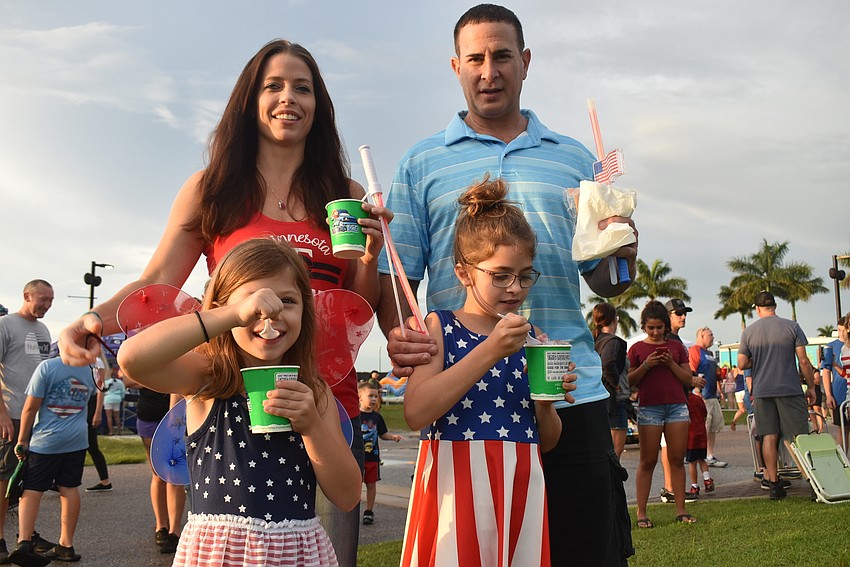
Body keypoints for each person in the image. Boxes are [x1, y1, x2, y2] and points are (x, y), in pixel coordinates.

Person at [58, 39, 391, 567]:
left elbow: (356, 308)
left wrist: (371, 259)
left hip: (323, 393)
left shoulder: (343, 192)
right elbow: (158, 280)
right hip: (227, 385)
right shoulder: (211, 188)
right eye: (273, 86)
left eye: (303, 88)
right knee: (233, 535)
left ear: (320, 105)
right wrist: (96, 317)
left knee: (322, 546)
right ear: (249, 101)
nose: (289, 98)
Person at [377, 5, 636, 565]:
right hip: (468, 404)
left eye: (501, 56)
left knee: (583, 552)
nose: (488, 70)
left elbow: (603, 280)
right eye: (475, 58)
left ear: (525, 62)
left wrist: (621, 255)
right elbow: (396, 282)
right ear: (456, 66)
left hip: (569, 389)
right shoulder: (421, 164)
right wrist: (402, 339)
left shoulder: (574, 159)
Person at [117, 238, 361, 566]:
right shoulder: (208, 379)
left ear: (306, 308)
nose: (269, 316)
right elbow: (133, 359)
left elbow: (347, 496)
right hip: (219, 555)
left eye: (287, 301)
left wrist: (312, 427)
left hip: (296, 554)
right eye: (254, 304)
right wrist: (231, 315)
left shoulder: (315, 392)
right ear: (223, 309)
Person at [400, 177, 576, 566]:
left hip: (520, 479)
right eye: (500, 275)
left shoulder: (533, 339)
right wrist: (491, 350)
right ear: (464, 272)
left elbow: (546, 440)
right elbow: (415, 412)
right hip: (457, 481)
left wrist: (547, 400)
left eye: (525, 275)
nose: (515, 288)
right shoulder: (439, 327)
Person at [9, 355, 98, 564]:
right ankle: (66, 545)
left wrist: (22, 439)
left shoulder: (47, 367)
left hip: (47, 441)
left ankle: (24, 542)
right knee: (69, 488)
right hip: (77, 439)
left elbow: (30, 407)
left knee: (32, 489)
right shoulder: (88, 370)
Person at [738, 291, 816, 500]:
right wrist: (811, 387)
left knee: (769, 436)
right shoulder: (792, 327)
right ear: (775, 306)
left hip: (763, 391)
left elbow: (742, 363)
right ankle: (812, 482)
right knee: (798, 437)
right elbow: (804, 361)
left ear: (757, 309)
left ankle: (774, 484)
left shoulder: (749, 332)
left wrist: (761, 360)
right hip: (789, 389)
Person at [0, 280, 57, 562]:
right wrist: (1, 413)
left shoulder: (43, 329)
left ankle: (26, 536)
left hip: (37, 418)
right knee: (4, 479)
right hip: (10, 414)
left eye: (51, 300)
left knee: (29, 480)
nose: (47, 305)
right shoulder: (5, 325)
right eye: (42, 299)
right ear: (27, 296)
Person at [628, 300, 696, 526]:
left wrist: (670, 364)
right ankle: (641, 513)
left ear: (666, 326)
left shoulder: (677, 348)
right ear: (644, 327)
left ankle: (681, 510)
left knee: (677, 459)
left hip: (677, 406)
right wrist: (646, 365)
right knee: (647, 461)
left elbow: (688, 379)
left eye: (659, 328)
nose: (655, 332)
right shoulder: (637, 349)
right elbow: (629, 381)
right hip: (649, 408)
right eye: (651, 328)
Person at [119, 372, 185, 554]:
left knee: (174, 475)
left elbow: (178, 382)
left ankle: (175, 530)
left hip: (176, 417)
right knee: (157, 474)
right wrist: (151, 378)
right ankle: (160, 526)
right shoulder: (145, 356)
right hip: (149, 416)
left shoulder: (176, 353)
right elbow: (127, 380)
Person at [357, 381, 401, 526]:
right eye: (370, 396)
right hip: (356, 458)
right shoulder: (354, 416)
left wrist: (392, 437)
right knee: (355, 485)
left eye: (376, 396)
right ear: (359, 397)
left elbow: (382, 434)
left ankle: (368, 511)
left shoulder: (377, 417)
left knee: (371, 484)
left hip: (372, 457)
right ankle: (351, 510)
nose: (374, 399)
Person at [592, 303, 631, 458]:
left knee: (603, 449)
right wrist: (615, 384)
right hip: (615, 402)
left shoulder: (595, 339)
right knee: (615, 451)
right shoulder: (612, 341)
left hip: (600, 398)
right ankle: (612, 482)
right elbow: (608, 362)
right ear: (614, 319)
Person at [688, 326, 727, 467]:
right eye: (710, 335)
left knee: (713, 426)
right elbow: (691, 370)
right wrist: (696, 391)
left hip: (712, 395)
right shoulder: (694, 351)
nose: (713, 337)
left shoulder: (710, 353)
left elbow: (715, 372)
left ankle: (710, 454)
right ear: (702, 336)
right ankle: (699, 455)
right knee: (703, 426)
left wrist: (719, 380)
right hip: (702, 396)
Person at [85, 355, 113, 493]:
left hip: (91, 402)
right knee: (91, 445)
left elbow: (100, 388)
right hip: (84, 401)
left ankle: (105, 480)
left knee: (87, 443)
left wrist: (97, 412)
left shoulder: (96, 361)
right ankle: (105, 480)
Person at [823, 315, 849, 451]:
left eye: (844, 330)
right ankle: (844, 458)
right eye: (839, 330)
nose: (842, 333)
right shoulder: (832, 347)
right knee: (843, 429)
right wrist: (828, 394)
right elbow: (826, 371)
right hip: (839, 393)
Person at [684, 386, 714, 501]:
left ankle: (694, 486)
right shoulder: (698, 399)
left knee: (692, 462)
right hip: (701, 433)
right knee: (702, 459)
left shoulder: (684, 401)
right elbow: (704, 414)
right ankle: (707, 479)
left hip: (690, 435)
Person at [101, 369, 126, 436]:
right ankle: (119, 431)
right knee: (117, 417)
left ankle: (111, 431)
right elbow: (123, 391)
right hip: (117, 399)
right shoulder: (120, 382)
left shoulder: (106, 382)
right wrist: (121, 398)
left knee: (109, 416)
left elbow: (102, 391)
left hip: (108, 399)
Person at [729, 366, 747, 431]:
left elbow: (734, 379)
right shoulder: (746, 369)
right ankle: (752, 426)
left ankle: (734, 421)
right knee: (751, 409)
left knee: (741, 409)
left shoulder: (735, 370)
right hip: (745, 390)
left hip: (738, 391)